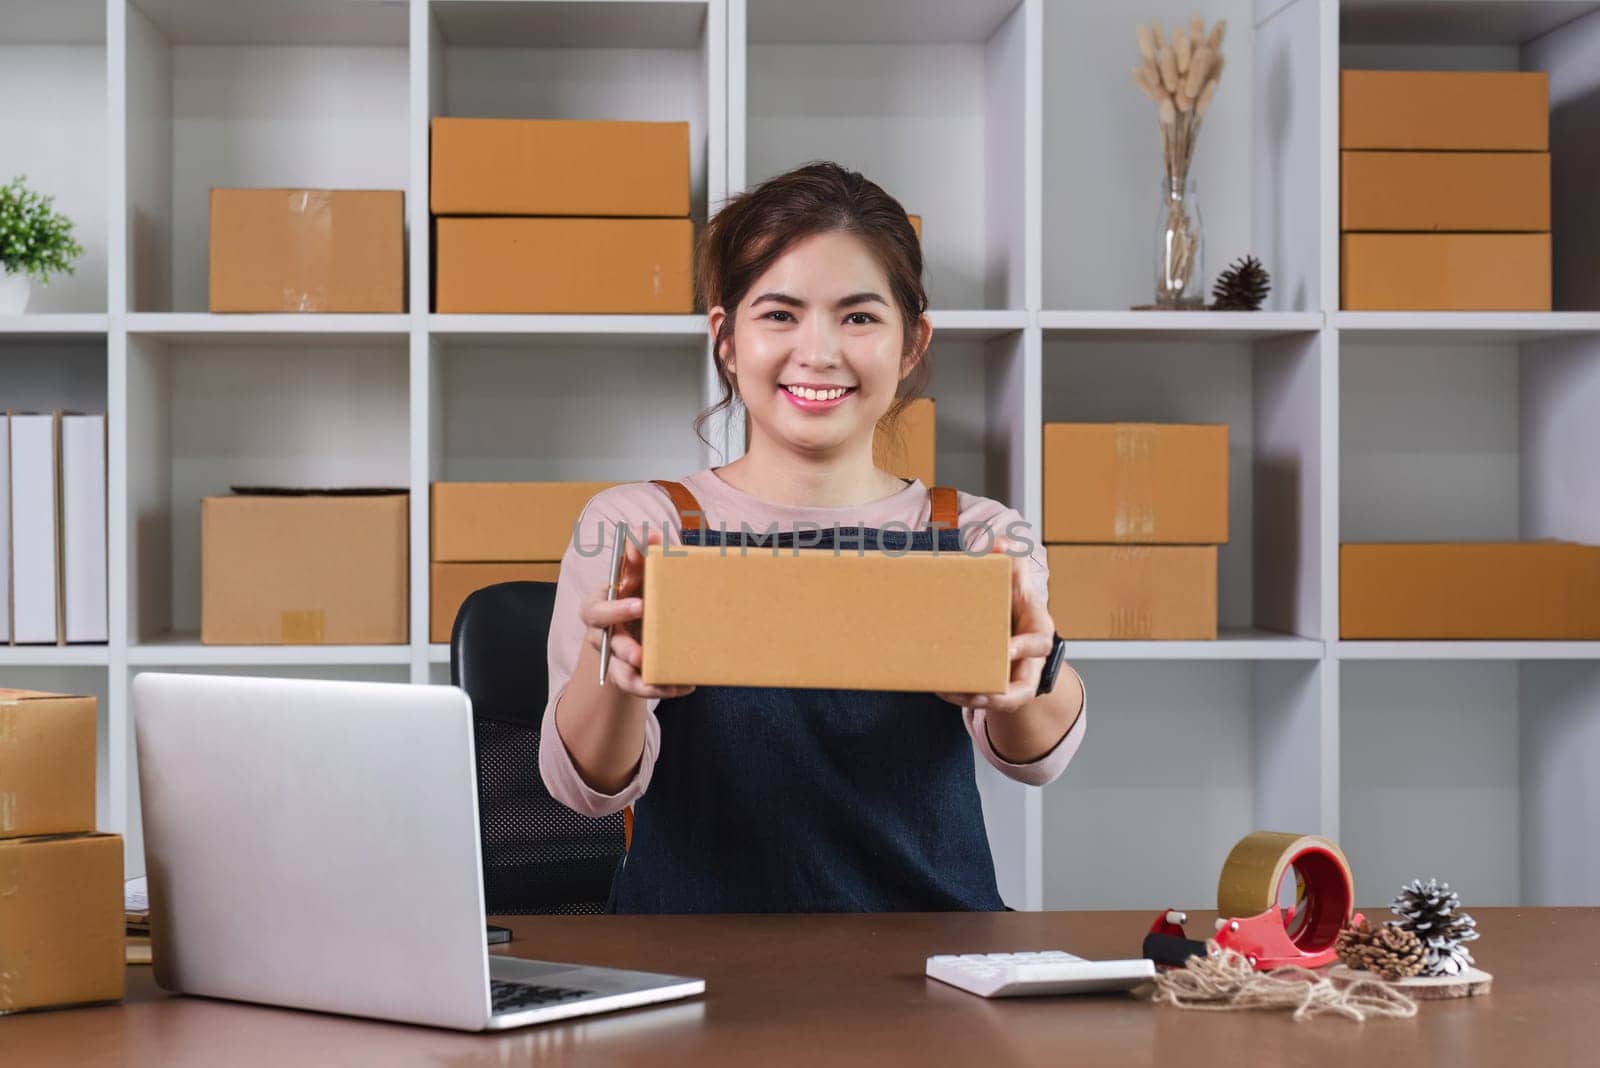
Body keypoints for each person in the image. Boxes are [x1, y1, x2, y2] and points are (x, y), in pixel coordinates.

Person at [540, 161, 1085, 913]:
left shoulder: (978, 535)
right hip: (688, 961)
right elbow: (585, 793)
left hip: (932, 964)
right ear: (726, 340)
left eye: (859, 317)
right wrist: (621, 681)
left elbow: (1036, 761)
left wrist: (1029, 675)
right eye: (779, 314)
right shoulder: (638, 526)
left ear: (912, 343)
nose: (819, 352)